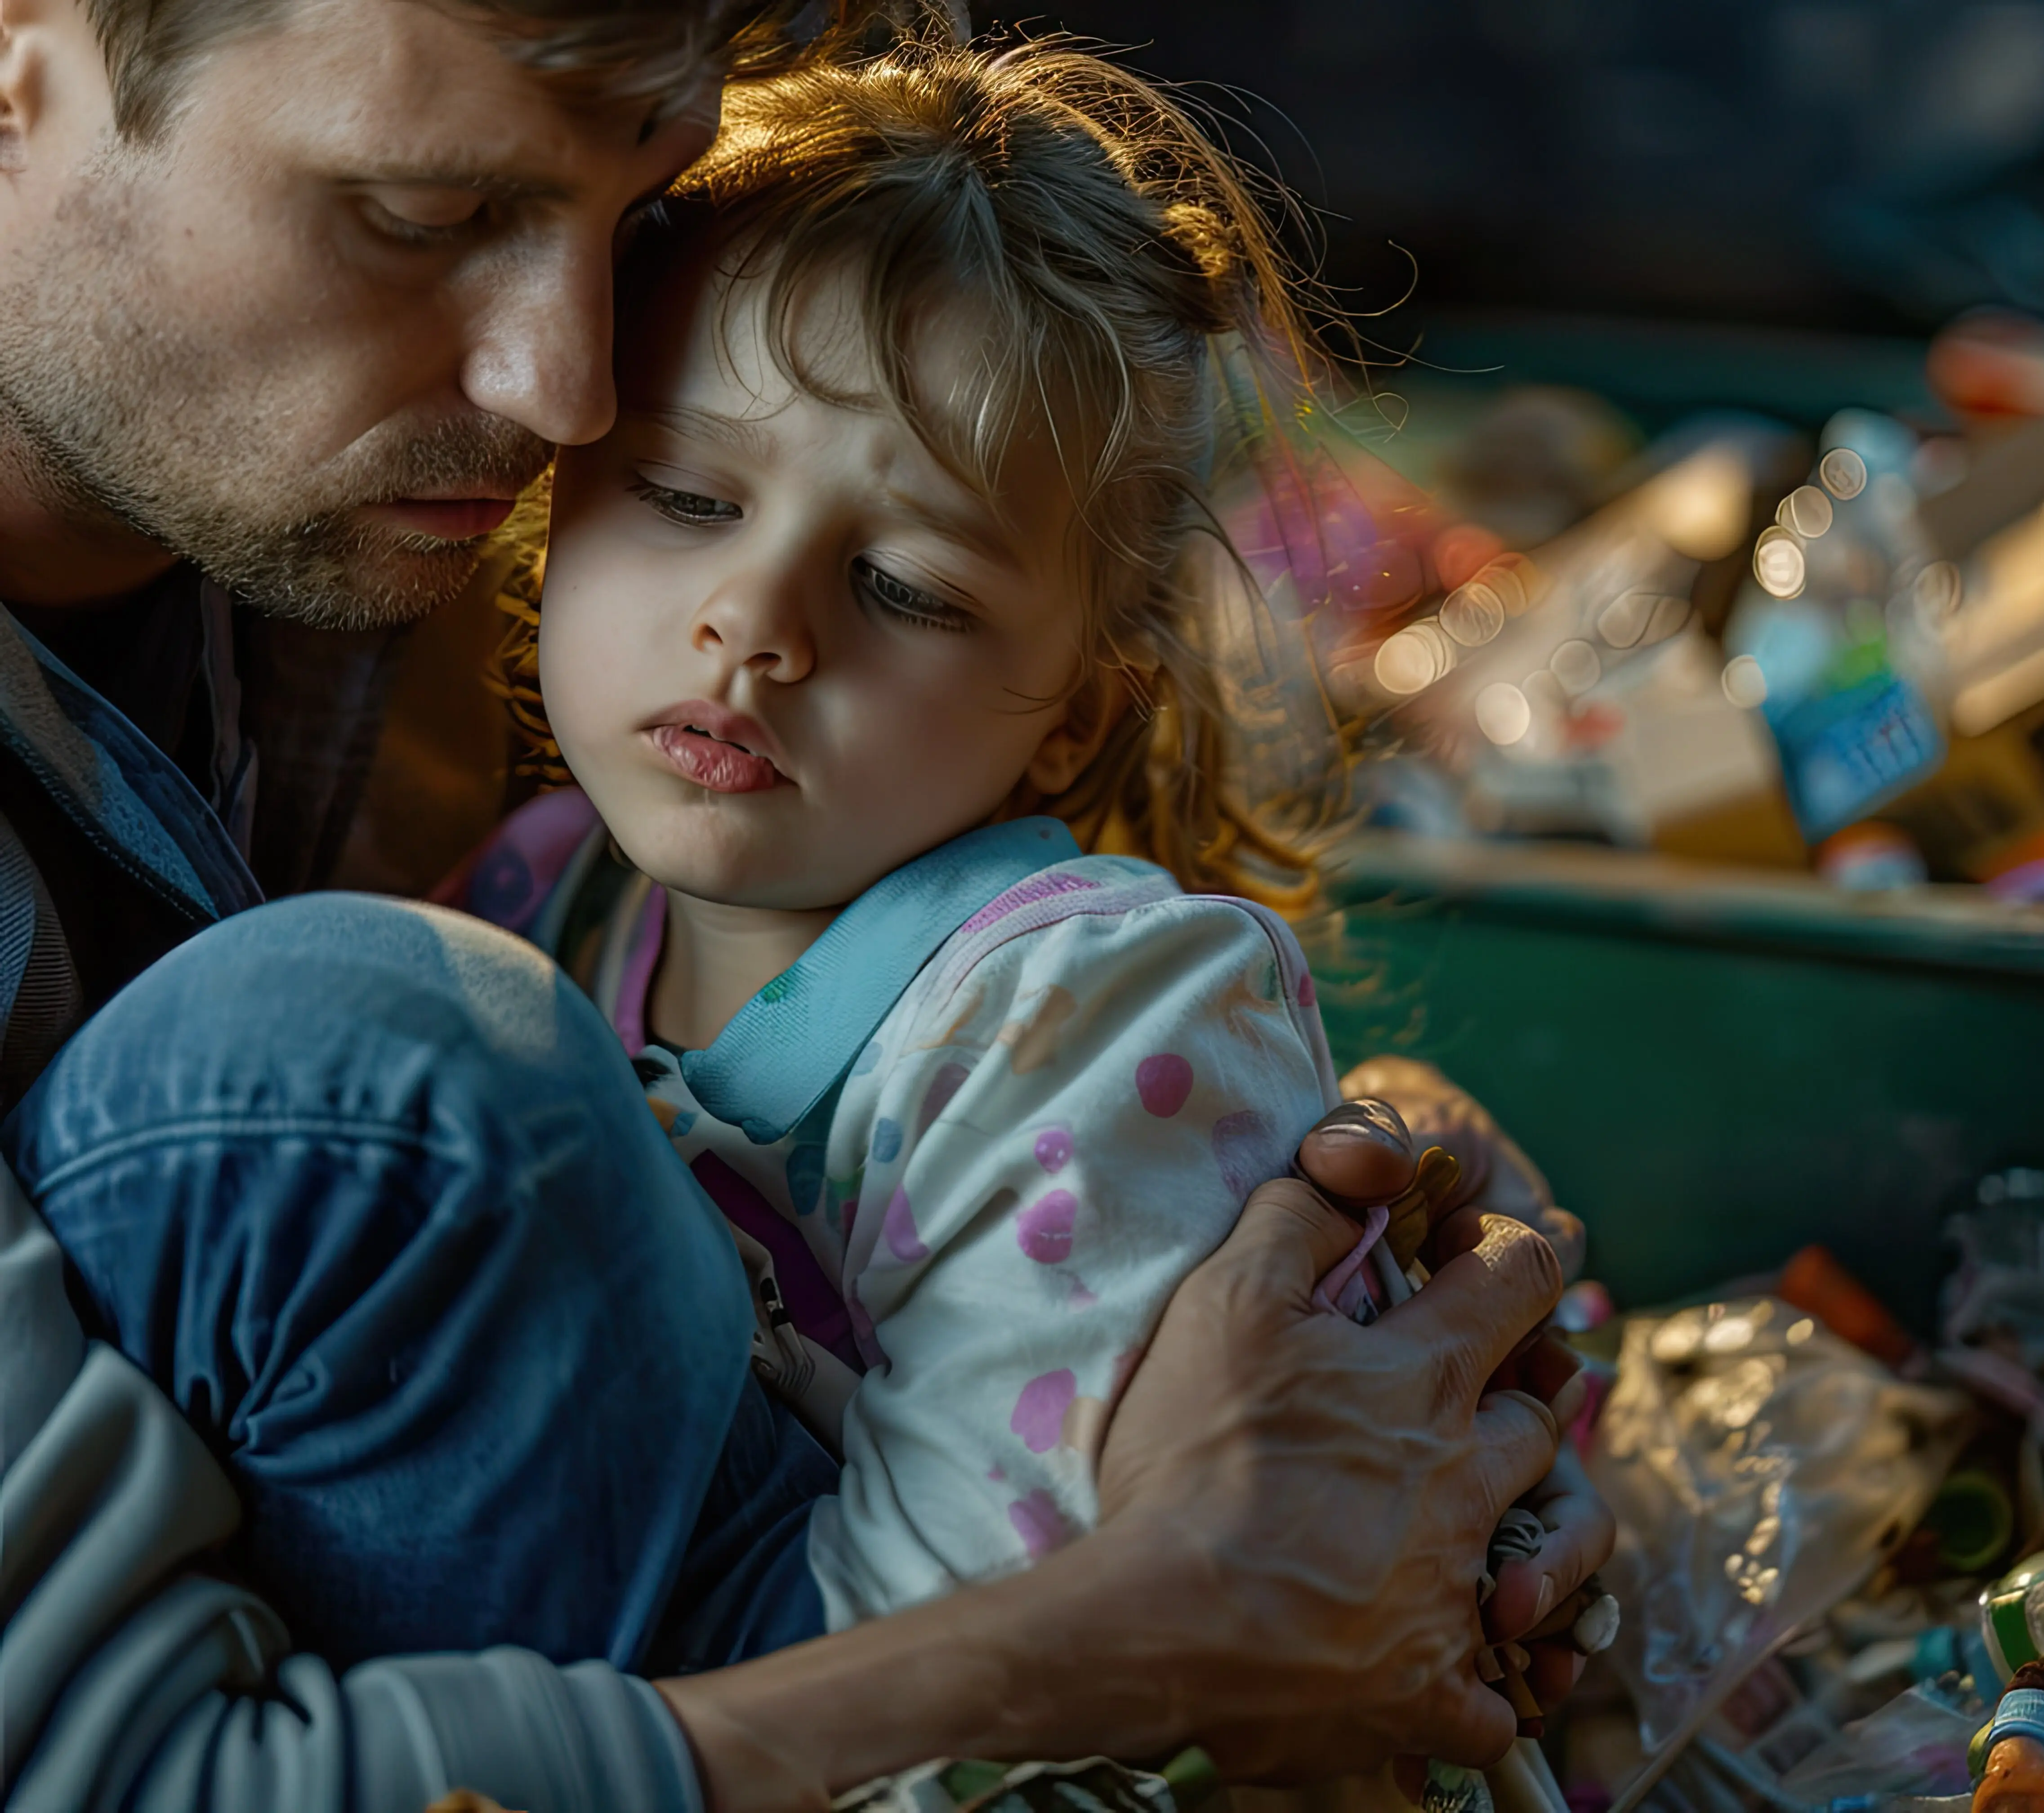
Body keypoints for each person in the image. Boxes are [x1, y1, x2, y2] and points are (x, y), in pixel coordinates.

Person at [0, 2, 1609, 1809]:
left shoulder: (402, 559)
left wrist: (1349, 1207)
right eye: (421, 211)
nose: (560, 390)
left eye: (626, 222)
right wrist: (1169, 1616)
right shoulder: (543, 880)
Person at [437, 29, 1426, 1637]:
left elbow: (996, 1633)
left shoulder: (1085, 1020)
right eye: (686, 498)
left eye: (907, 589)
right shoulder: (537, 901)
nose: (752, 626)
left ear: (1080, 713)